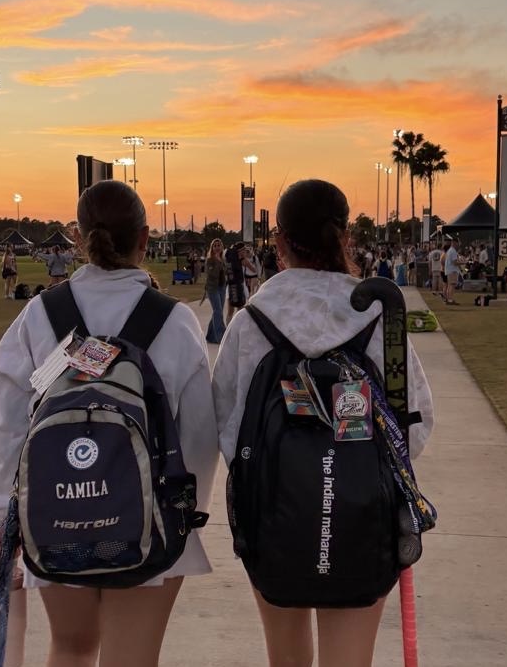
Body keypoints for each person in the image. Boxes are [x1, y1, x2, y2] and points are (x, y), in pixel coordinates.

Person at [0, 180, 218, 667]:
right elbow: (199, 435)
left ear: (78, 236)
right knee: (132, 657)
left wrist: (1, 509)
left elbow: (7, 417)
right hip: (149, 520)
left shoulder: (41, 314)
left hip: (56, 512)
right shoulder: (174, 320)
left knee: (70, 647)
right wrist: (188, 512)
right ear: (145, 238)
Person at [212, 179, 433, 667]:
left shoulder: (251, 321)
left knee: (286, 657)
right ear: (346, 235)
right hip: (363, 514)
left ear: (280, 241)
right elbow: (413, 427)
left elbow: (229, 427)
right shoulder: (378, 316)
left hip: (272, 513)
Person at [204, 237, 227, 344]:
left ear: (222, 247)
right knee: (218, 311)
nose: (217, 247)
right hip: (213, 288)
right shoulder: (210, 260)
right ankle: (221, 337)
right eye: (215, 246)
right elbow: (212, 274)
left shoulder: (223, 259)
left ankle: (210, 336)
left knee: (218, 312)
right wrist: (217, 262)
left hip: (222, 287)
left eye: (219, 245)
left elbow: (225, 273)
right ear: (212, 248)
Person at [443, 239, 461, 304]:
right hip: (452, 270)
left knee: (450, 285)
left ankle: (448, 298)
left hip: (449, 270)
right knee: (452, 285)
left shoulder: (450, 250)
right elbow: (454, 262)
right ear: (455, 243)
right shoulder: (453, 251)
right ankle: (450, 299)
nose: (459, 245)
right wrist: (463, 263)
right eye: (458, 243)